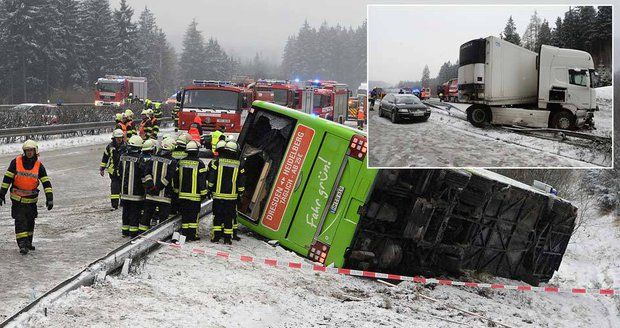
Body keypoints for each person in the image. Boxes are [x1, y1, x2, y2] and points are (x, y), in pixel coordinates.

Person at [0, 140, 54, 254]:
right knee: (20, 221)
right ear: (24, 151)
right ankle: (22, 244)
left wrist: (50, 198)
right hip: (17, 199)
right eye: (27, 150)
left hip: (31, 200)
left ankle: (28, 242)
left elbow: (46, 182)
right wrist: (2, 194)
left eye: (31, 150)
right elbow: (7, 179)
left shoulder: (39, 166)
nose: (29, 153)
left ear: (35, 151)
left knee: (30, 221)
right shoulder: (16, 162)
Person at [208, 140, 245, 245]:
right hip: (231, 197)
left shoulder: (217, 162)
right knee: (229, 217)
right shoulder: (239, 165)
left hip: (218, 196)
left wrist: (210, 189)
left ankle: (216, 237)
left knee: (218, 216)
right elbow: (241, 182)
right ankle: (227, 239)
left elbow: (211, 178)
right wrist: (240, 193)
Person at [175, 140, 207, 241]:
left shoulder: (181, 162)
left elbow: (175, 178)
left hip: (182, 195)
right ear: (197, 151)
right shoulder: (200, 164)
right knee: (193, 217)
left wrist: (176, 191)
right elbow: (202, 180)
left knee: (185, 216)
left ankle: (184, 235)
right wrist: (204, 193)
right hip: (195, 196)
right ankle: (192, 236)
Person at [141, 137, 177, 228]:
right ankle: (161, 235)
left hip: (150, 195)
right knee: (163, 220)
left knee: (146, 217)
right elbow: (169, 177)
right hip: (164, 197)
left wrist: (150, 184)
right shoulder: (172, 161)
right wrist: (158, 187)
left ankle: (141, 233)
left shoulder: (153, 158)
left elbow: (147, 172)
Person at [119, 135, 145, 237]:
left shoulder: (123, 157)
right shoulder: (140, 159)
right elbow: (143, 174)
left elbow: (120, 172)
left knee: (126, 212)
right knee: (135, 212)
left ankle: (125, 231)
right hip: (136, 192)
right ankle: (133, 232)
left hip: (124, 191)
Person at [100, 129, 126, 210]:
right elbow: (105, 158)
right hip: (113, 172)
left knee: (123, 188)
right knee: (114, 189)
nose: (119, 139)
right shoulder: (110, 147)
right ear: (114, 138)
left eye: (120, 137)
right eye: (117, 138)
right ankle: (114, 205)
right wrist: (102, 168)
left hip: (123, 171)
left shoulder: (126, 146)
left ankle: (123, 203)